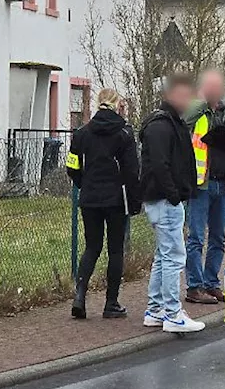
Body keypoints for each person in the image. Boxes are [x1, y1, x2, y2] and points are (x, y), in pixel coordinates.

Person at [139, 74, 207, 333]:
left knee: (163, 255)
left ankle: (155, 310)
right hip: (166, 201)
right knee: (174, 257)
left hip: (164, 199)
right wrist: (173, 194)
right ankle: (172, 313)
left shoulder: (167, 123)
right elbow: (160, 164)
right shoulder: (162, 126)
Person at [66, 89, 140, 320]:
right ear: (118, 105)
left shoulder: (81, 134)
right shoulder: (124, 134)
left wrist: (84, 184)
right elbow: (131, 171)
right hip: (116, 200)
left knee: (92, 247)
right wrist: (135, 201)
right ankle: (111, 303)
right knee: (115, 250)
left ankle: (79, 296)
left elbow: (72, 166)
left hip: (90, 199)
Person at [182, 70, 225, 305]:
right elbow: (183, 124)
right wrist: (203, 103)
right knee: (196, 237)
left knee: (218, 238)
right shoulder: (197, 111)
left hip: (223, 183)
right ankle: (194, 286)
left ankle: (212, 284)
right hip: (201, 183)